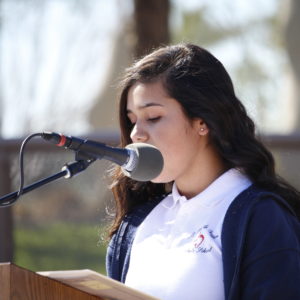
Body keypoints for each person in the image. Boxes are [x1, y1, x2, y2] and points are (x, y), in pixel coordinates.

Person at [105, 43, 300, 300]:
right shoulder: (136, 223)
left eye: (153, 117)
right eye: (132, 121)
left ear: (203, 121)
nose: (135, 134)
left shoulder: (262, 217)